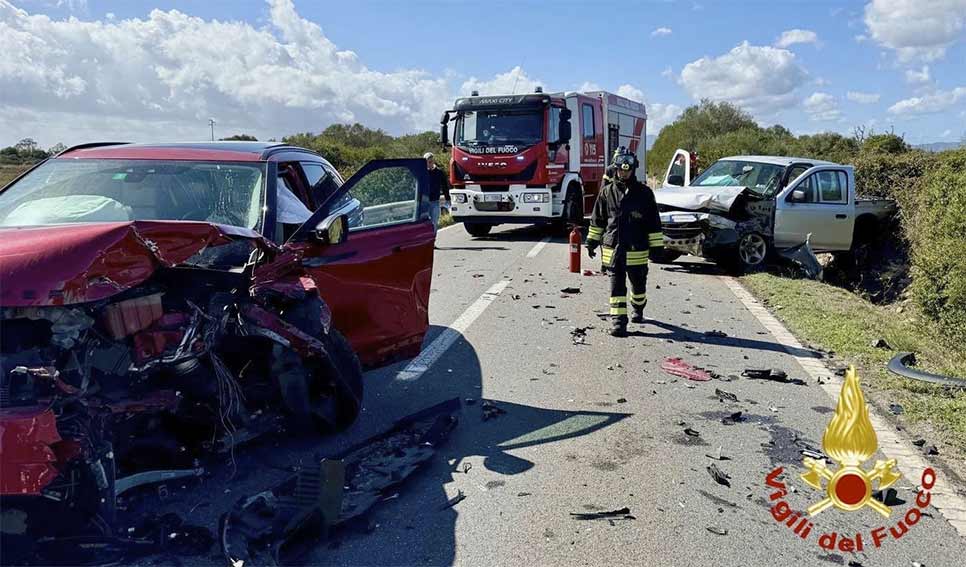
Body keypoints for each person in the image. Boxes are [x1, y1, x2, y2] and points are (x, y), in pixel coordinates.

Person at [586, 149, 664, 337]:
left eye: (627, 171)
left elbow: (653, 222)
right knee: (616, 287)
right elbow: (598, 220)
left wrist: (657, 247)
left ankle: (638, 307)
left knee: (638, 287)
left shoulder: (644, 194)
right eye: (621, 170)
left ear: (633, 169)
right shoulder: (606, 193)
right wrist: (591, 241)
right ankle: (619, 322)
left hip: (637, 249)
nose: (624, 173)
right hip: (613, 250)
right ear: (616, 169)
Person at [424, 152, 450, 231]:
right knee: (425, 224)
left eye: (431, 161)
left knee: (434, 222)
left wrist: (447, 198)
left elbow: (445, 185)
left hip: (435, 201)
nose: (430, 163)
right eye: (428, 162)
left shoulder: (439, 172)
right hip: (424, 202)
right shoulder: (423, 172)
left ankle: (433, 240)